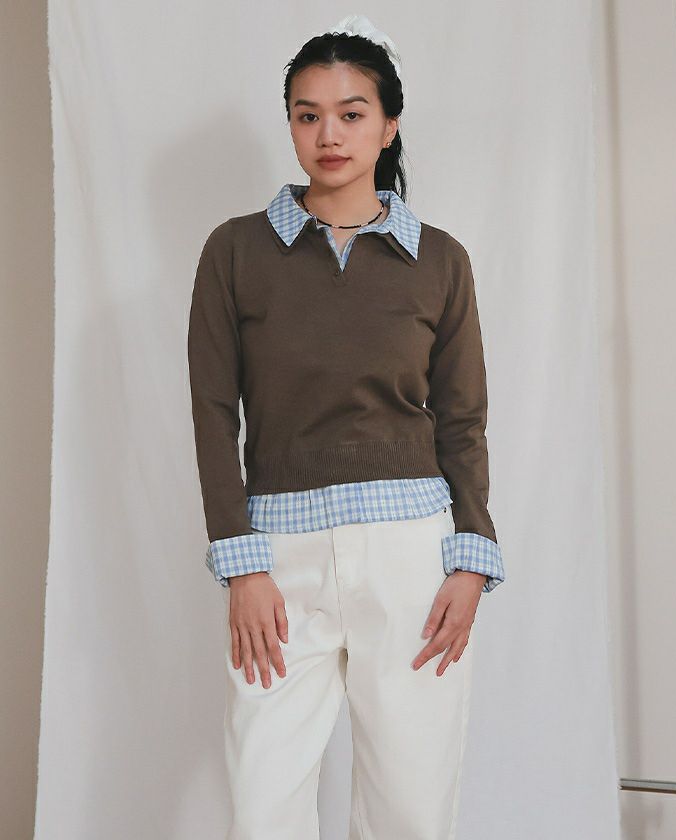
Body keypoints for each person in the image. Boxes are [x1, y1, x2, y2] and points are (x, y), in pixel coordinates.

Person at [187, 13, 505, 840]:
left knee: (411, 807)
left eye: (351, 113)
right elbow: (213, 413)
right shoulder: (235, 252)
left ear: (388, 125)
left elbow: (463, 420)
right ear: (290, 123)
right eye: (308, 114)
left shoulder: (439, 259)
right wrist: (241, 565)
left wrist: (471, 559)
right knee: (263, 805)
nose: (328, 134)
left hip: (412, 560)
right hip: (278, 563)